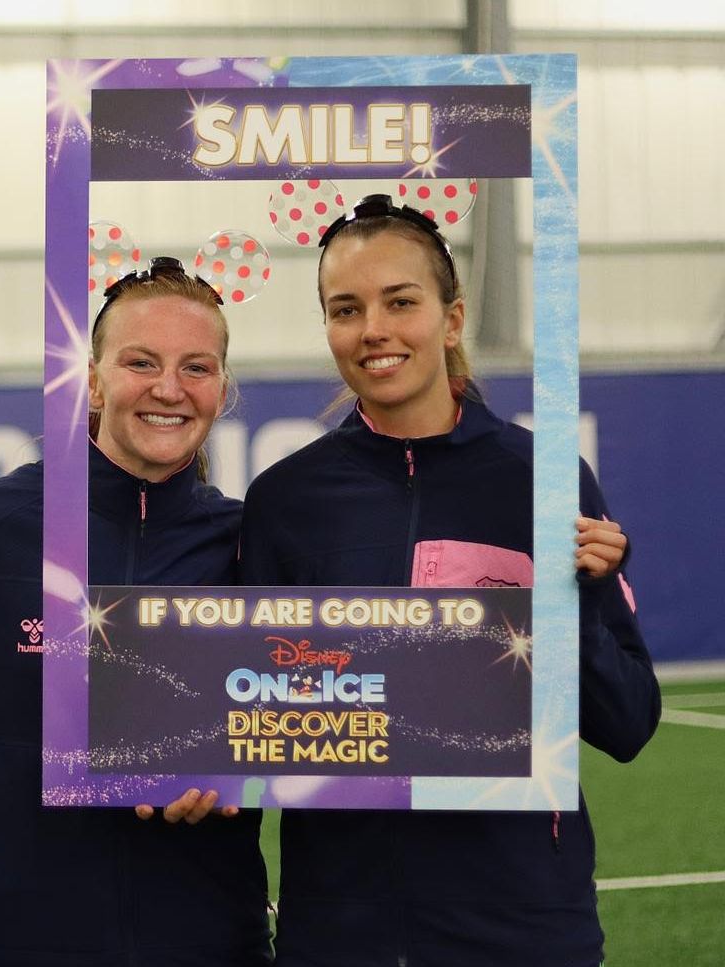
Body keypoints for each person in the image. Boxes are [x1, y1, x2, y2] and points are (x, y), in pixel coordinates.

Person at [235, 195, 659, 966]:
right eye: (345, 308)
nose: (374, 330)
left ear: (453, 318)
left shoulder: (548, 481)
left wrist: (584, 598)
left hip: (524, 921)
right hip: (342, 930)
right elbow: (249, 712)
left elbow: (627, 723)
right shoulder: (284, 501)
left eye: (401, 301)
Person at [0, 258, 273, 966]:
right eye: (141, 361)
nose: (169, 388)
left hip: (210, 933)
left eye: (197, 366)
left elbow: (301, 705)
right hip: (12, 934)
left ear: (224, 389)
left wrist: (228, 772)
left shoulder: (253, 541)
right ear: (92, 379)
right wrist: (9, 767)